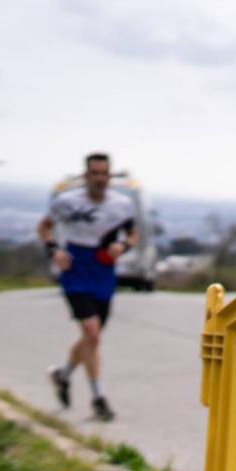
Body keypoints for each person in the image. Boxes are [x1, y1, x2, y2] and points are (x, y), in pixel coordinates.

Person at [37, 152, 137, 421]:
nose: (99, 179)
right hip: (75, 269)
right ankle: (98, 398)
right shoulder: (67, 202)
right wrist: (54, 250)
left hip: (103, 271)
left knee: (91, 339)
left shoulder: (122, 205)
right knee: (92, 334)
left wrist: (123, 246)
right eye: (94, 173)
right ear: (86, 175)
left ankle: (63, 375)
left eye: (104, 173)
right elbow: (44, 227)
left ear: (109, 175)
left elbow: (133, 233)